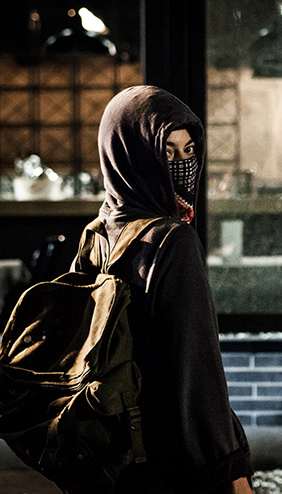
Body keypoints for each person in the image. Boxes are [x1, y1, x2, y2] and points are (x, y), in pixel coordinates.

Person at [74, 85, 254, 493]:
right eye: (167, 153)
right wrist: (229, 470)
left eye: (189, 151)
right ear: (133, 156)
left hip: (115, 451)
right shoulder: (173, 241)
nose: (182, 165)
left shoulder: (99, 231)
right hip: (173, 458)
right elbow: (196, 370)